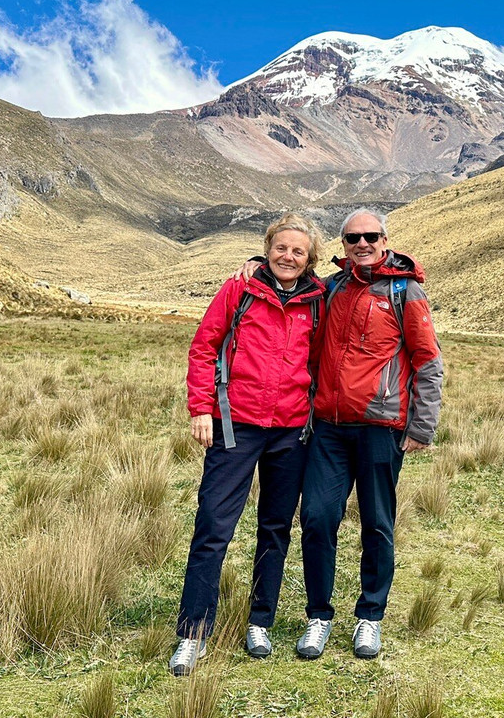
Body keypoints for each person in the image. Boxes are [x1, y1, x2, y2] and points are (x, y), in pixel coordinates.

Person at [169, 213, 326, 676]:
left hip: (291, 431)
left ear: (310, 258)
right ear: (267, 248)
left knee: (275, 528)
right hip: (235, 427)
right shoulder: (239, 289)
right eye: (280, 248)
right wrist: (201, 407)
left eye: (298, 251)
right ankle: (192, 634)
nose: (288, 257)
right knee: (213, 527)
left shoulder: (319, 300)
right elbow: (204, 346)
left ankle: (260, 621)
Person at [289, 208, 443, 660]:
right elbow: (286, 278)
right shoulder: (332, 287)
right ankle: (318, 617)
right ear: (343, 244)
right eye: (353, 237)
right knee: (317, 519)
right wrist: (254, 263)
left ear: (385, 238)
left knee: (377, 525)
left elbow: (428, 362)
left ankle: (370, 618)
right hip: (330, 428)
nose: (362, 243)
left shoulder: (404, 290)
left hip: (381, 428)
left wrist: (422, 425)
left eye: (370, 236)